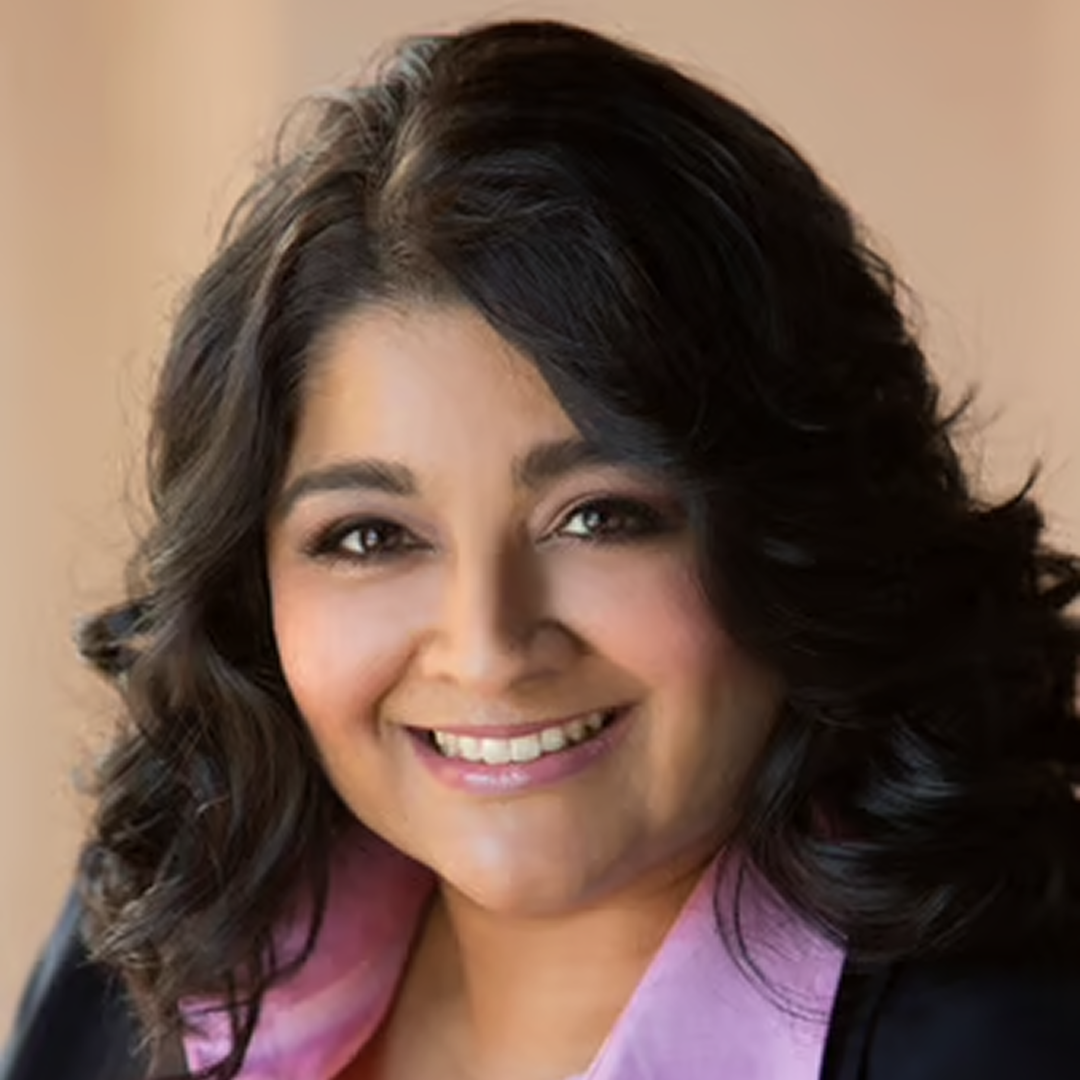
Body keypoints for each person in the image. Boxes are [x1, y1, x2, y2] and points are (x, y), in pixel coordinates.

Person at [6, 17, 1080, 1080]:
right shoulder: (162, 958)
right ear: (254, 589)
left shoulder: (1014, 1043)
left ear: (805, 528)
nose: (486, 647)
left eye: (600, 516)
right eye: (369, 536)